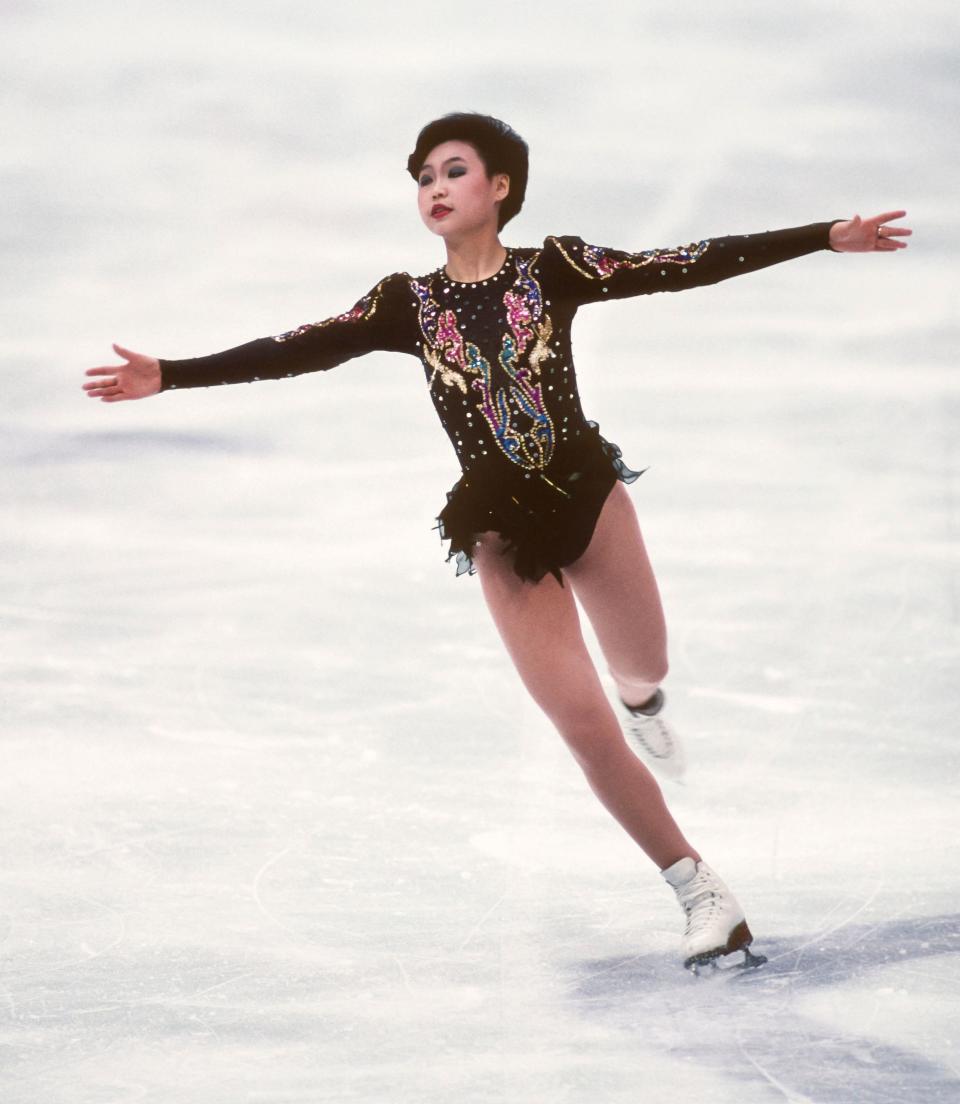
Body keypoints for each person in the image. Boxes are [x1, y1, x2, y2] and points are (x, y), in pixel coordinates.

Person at [82, 112, 911, 972]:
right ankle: (699, 888)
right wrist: (172, 374)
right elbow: (299, 348)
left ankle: (645, 704)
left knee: (644, 667)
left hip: (588, 495)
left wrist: (823, 237)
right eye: (423, 177)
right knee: (578, 721)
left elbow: (684, 264)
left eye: (453, 171)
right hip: (501, 528)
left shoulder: (555, 268)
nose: (434, 189)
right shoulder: (407, 303)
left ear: (501, 186)